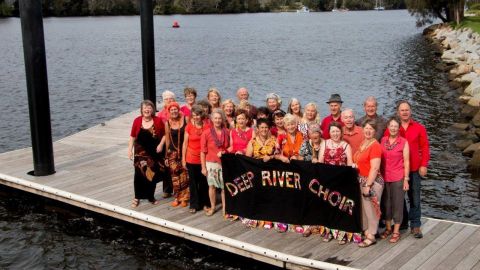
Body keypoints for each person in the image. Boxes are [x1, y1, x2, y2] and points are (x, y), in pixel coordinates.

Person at [385, 100, 430, 239]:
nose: (404, 112)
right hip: (398, 169)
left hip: (415, 168)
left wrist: (424, 164)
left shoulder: (419, 127)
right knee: (399, 199)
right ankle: (402, 222)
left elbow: (425, 147)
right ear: (398, 112)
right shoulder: (392, 128)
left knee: (414, 197)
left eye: (407, 110)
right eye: (402, 110)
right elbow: (386, 147)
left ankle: (415, 225)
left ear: (410, 111)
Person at [128, 100, 165, 208]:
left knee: (151, 174)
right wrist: (129, 150)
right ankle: (137, 197)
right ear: (141, 110)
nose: (147, 109)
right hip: (139, 153)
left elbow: (164, 135)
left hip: (153, 153)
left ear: (153, 109)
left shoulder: (157, 121)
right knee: (138, 175)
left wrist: (161, 145)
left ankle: (150, 196)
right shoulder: (137, 121)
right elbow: (132, 137)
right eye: (145, 108)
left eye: (149, 107)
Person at [353, 119, 383, 248]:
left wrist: (368, 185)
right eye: (366, 128)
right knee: (365, 209)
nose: (368, 131)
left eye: (371, 129)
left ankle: (372, 235)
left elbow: (375, 168)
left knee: (371, 209)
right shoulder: (364, 142)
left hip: (372, 182)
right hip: (362, 179)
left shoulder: (375, 145)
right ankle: (366, 231)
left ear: (375, 131)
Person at [380, 117, 410, 243]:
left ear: (399, 128)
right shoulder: (383, 140)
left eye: (395, 126)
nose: (393, 128)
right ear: (388, 127)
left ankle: (396, 231)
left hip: (398, 177)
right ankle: (388, 228)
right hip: (384, 177)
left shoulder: (403, 142)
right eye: (391, 126)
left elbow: (407, 161)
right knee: (386, 204)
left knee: (397, 204)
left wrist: (406, 179)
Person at [201, 109, 230, 217]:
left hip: (224, 163)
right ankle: (213, 207)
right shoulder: (206, 133)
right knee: (212, 186)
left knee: (224, 187)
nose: (217, 120)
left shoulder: (227, 131)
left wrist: (225, 152)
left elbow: (230, 147)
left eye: (219, 118)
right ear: (212, 119)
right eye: (215, 118)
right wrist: (203, 167)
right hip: (211, 163)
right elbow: (203, 152)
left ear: (222, 119)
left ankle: (225, 208)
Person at [182, 105, 210, 214]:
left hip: (203, 159)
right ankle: (194, 204)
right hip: (191, 158)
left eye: (197, 115)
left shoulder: (207, 126)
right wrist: (183, 159)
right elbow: (185, 144)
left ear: (201, 115)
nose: (196, 117)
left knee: (204, 182)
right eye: (193, 116)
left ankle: (205, 203)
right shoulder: (189, 126)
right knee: (193, 183)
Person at [164, 102, 189, 207]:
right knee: (174, 176)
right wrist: (166, 155)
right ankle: (177, 196)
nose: (174, 111)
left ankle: (185, 197)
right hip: (172, 153)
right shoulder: (168, 123)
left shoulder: (185, 119)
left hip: (184, 151)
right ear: (169, 112)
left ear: (179, 110)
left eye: (175, 109)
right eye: (171, 110)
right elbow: (167, 140)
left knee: (184, 175)